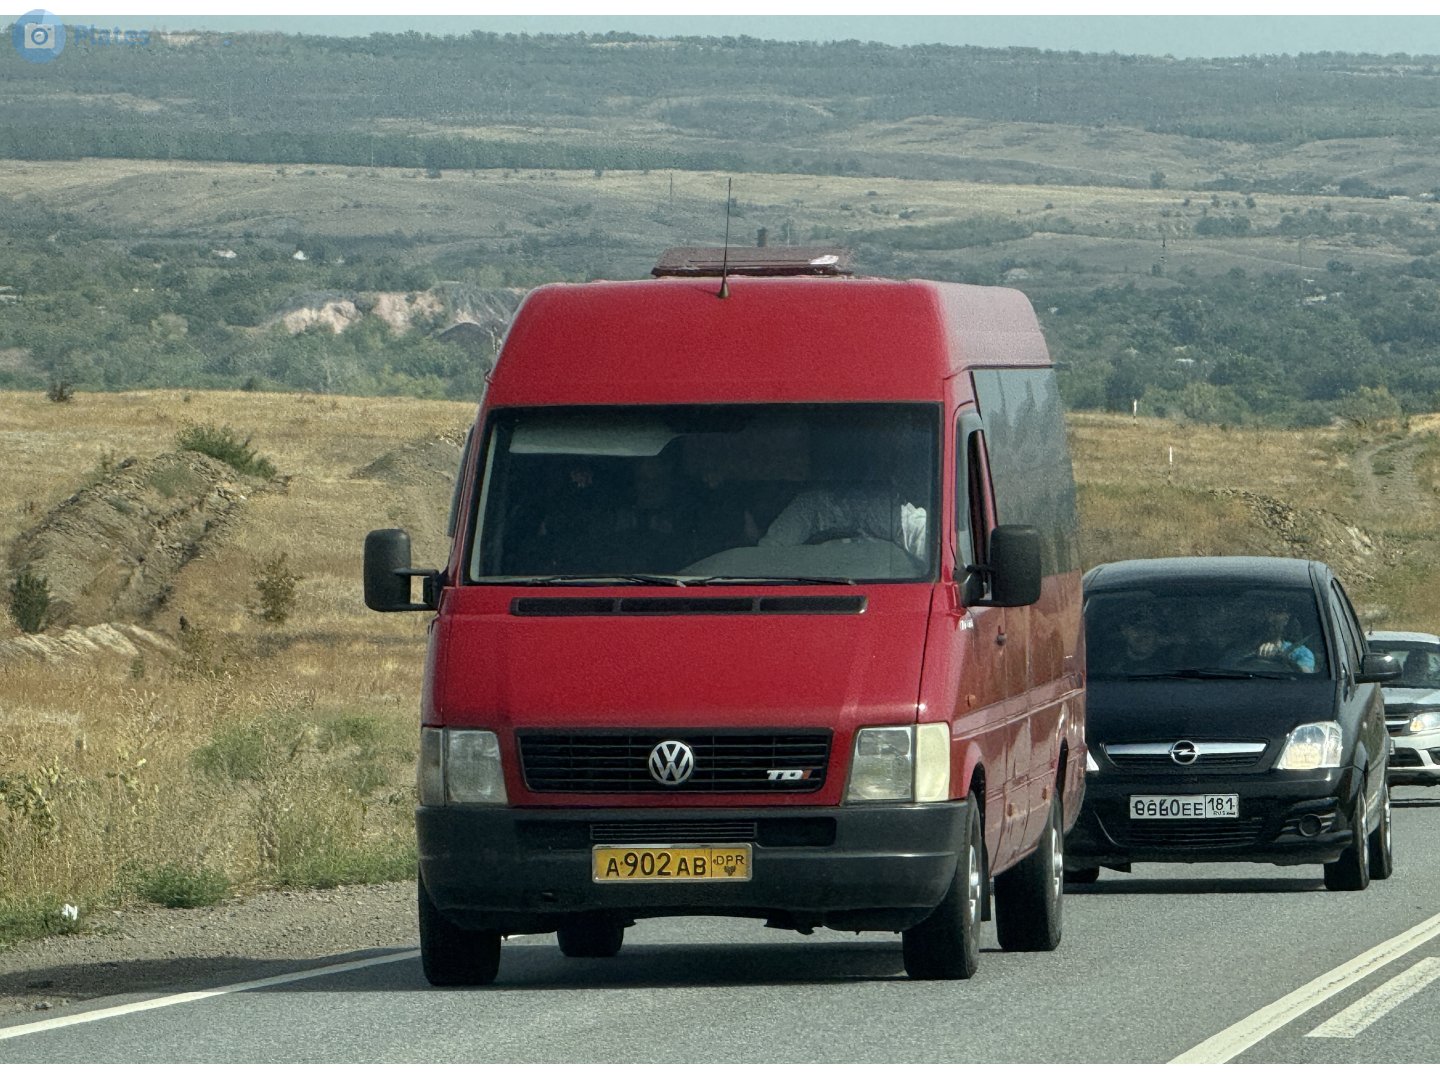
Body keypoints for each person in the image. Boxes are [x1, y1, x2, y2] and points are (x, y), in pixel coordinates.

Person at [1230, 601, 1317, 672]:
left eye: (1276, 611)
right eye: (1265, 612)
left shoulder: (1301, 653)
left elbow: (1307, 678)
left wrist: (1283, 660)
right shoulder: (1237, 650)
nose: (1269, 617)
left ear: (1286, 619)